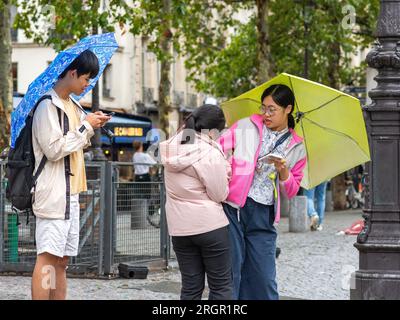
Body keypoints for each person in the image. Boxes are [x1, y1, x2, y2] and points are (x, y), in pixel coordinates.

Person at [31, 50, 111, 300]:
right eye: (86, 78)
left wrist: (89, 125)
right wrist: (86, 126)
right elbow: (54, 149)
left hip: (72, 193)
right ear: (73, 72)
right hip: (54, 193)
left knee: (62, 261)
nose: (88, 84)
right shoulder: (47, 105)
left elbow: (75, 144)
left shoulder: (72, 106)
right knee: (47, 258)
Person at [219, 84, 307, 300]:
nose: (265, 114)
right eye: (263, 108)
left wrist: (284, 172)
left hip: (264, 213)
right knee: (232, 272)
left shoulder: (297, 146)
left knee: (264, 277)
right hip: (234, 208)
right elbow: (218, 149)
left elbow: (293, 190)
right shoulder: (246, 126)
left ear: (287, 109)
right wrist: (233, 164)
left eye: (272, 109)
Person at [159, 104, 232, 300]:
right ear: (214, 130)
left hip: (179, 229)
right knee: (220, 286)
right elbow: (219, 194)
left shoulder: (173, 147)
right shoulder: (209, 152)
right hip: (210, 227)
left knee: (191, 288)